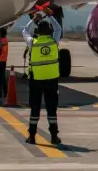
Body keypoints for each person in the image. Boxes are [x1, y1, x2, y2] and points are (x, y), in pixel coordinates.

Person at [22, 9, 62, 145]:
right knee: (52, 110)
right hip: (52, 81)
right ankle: (54, 137)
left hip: (36, 81)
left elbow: (24, 31)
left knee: (35, 109)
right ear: (49, 32)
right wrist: (50, 16)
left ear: (38, 32)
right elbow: (58, 28)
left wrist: (33, 19)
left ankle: (32, 136)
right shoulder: (54, 41)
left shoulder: (33, 43)